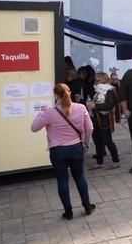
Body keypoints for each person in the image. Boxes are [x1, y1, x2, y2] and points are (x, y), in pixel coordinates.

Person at [31, 84, 96, 220]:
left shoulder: (49, 113)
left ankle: (68, 212)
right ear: (70, 93)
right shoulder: (81, 107)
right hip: (76, 148)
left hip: (57, 150)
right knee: (80, 177)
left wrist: (42, 113)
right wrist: (84, 140)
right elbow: (90, 127)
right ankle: (87, 206)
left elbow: (34, 128)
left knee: (62, 180)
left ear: (55, 96)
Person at [86, 72, 120, 169]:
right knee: (97, 141)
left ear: (104, 80)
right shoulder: (97, 91)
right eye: (95, 80)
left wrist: (94, 106)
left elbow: (109, 105)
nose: (96, 82)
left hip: (105, 120)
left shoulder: (109, 90)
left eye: (98, 80)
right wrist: (90, 104)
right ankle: (99, 162)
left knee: (108, 141)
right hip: (95, 120)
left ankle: (116, 160)